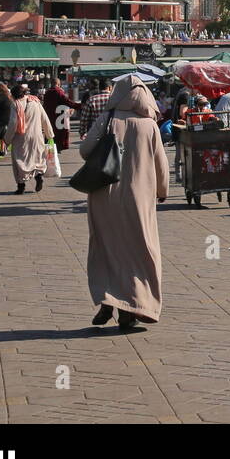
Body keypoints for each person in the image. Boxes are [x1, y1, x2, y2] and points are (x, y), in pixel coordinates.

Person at [80, 74, 168, 330]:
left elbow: (85, 151)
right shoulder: (150, 125)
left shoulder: (107, 119)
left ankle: (108, 299)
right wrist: (162, 190)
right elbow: (161, 163)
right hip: (139, 199)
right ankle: (133, 306)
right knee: (139, 250)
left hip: (104, 195)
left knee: (107, 247)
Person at [8, 83, 55, 194]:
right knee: (37, 159)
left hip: (21, 138)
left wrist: (7, 139)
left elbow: (13, 124)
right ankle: (38, 177)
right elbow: (45, 118)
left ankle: (21, 186)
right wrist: (50, 135)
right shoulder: (35, 101)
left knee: (20, 161)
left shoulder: (15, 105)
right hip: (37, 136)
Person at [43, 79, 83, 151]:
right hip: (59, 119)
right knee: (59, 135)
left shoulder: (47, 93)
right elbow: (68, 102)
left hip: (49, 118)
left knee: (50, 134)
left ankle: (51, 149)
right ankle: (56, 150)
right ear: (58, 84)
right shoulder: (58, 92)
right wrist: (80, 106)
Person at [0, 82, 14, 159]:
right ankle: (2, 150)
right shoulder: (9, 97)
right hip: (7, 119)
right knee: (3, 136)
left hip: (0, 119)